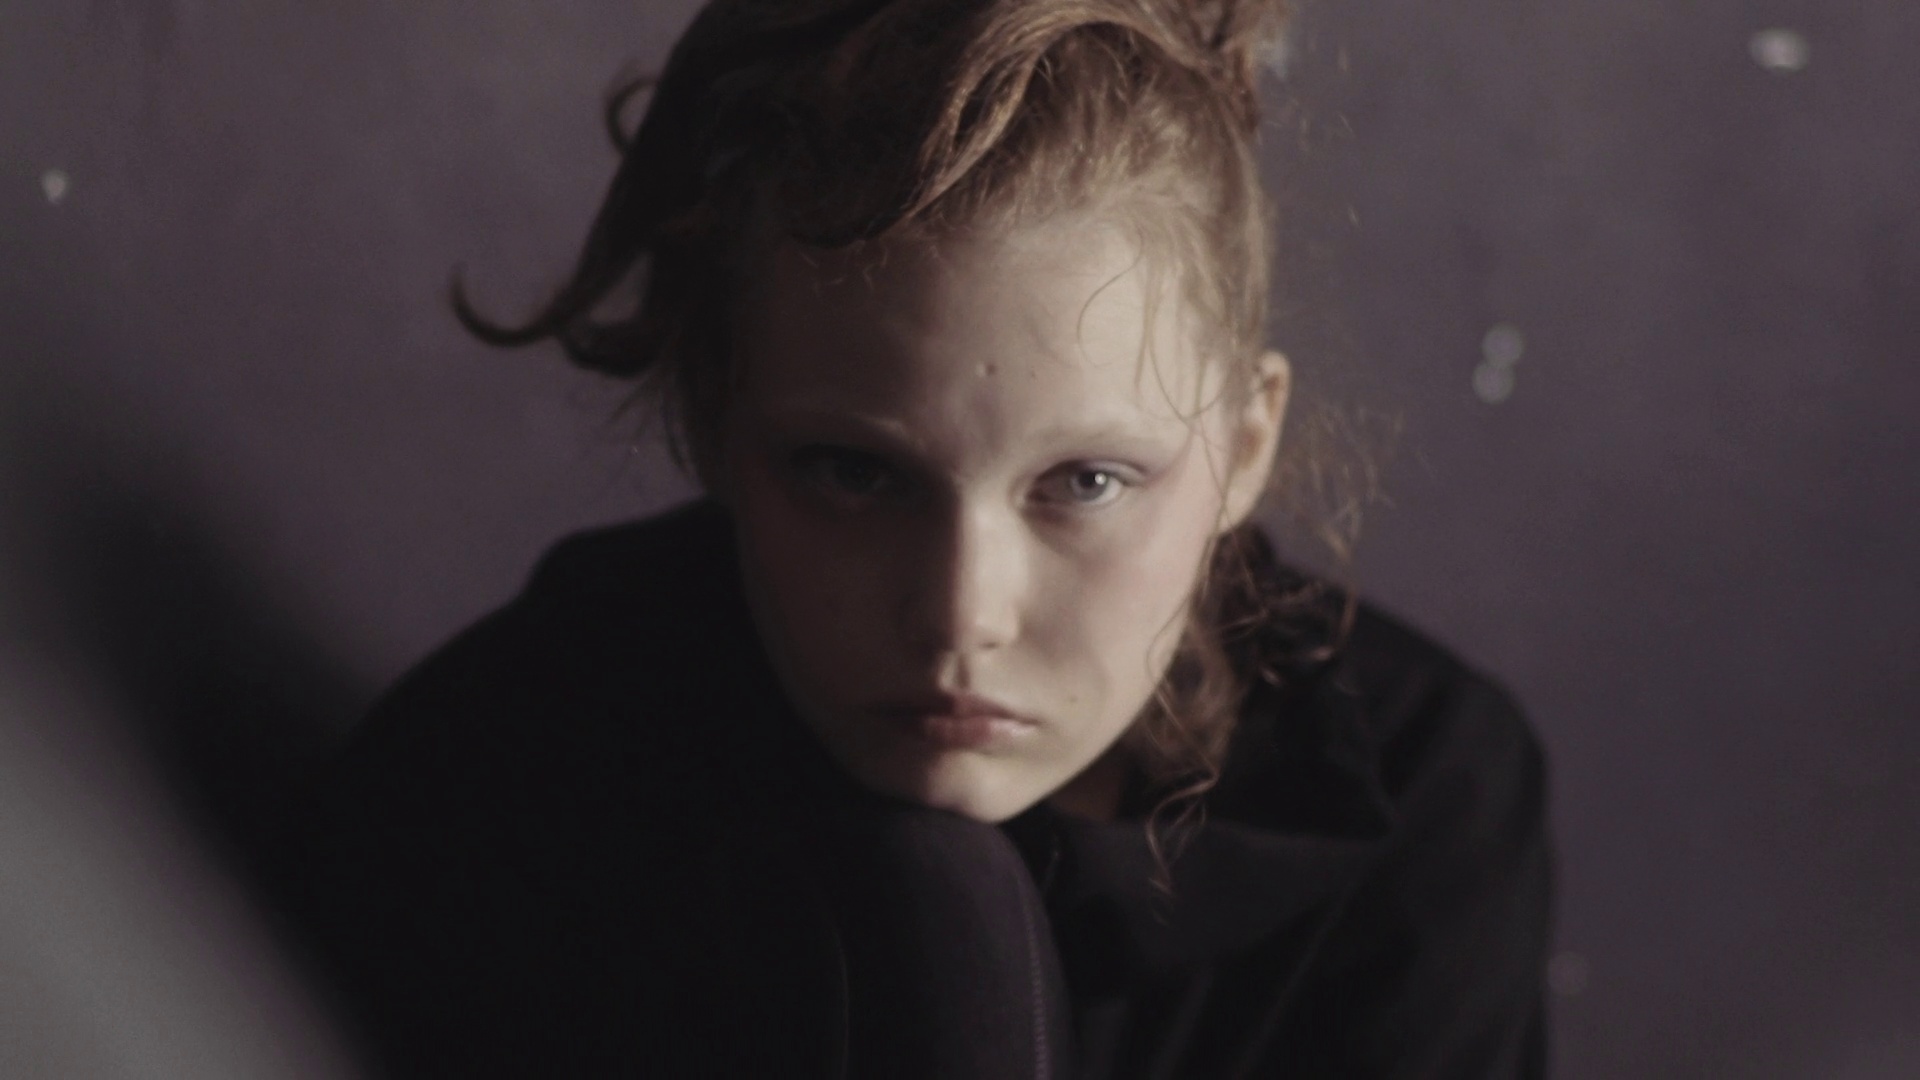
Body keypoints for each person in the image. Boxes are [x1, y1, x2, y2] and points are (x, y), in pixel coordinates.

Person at [281, 1, 1554, 1076]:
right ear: (718, 422)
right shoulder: (509, 767)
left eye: (1088, 482)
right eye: (855, 473)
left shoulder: (1427, 802)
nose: (960, 615)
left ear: (1245, 446)